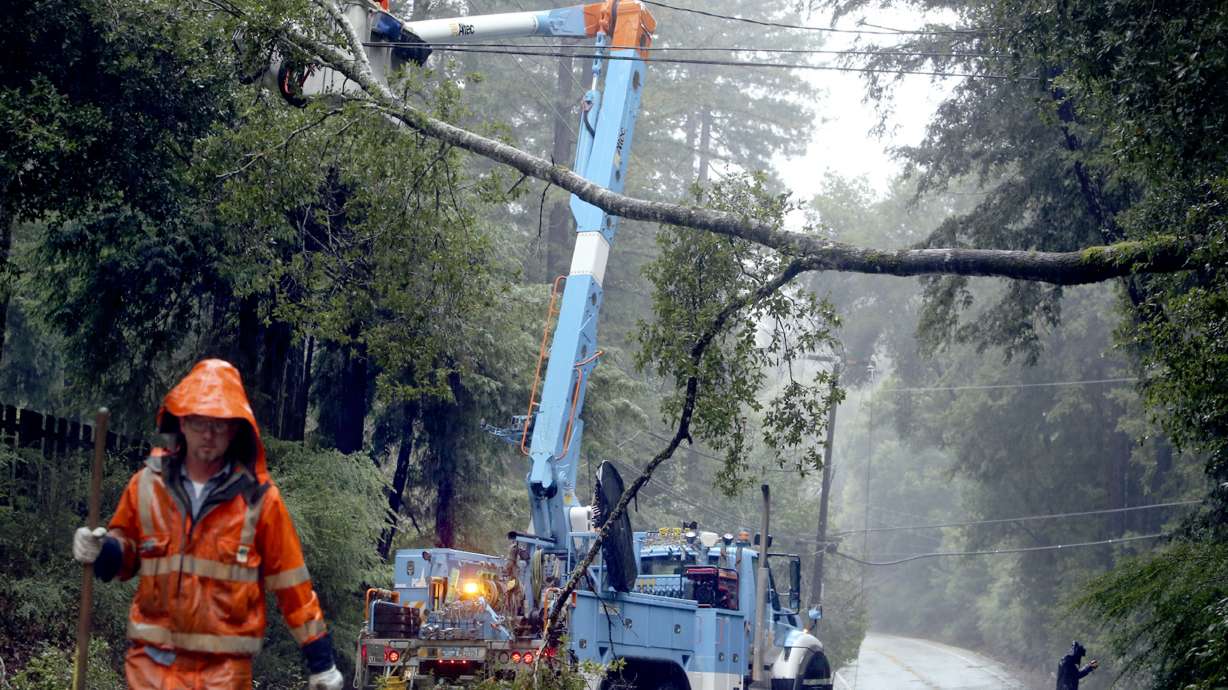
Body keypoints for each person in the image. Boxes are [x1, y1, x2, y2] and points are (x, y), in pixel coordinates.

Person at [72, 359, 344, 690]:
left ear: (235, 430)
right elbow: (127, 555)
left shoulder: (259, 501)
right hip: (151, 670)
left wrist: (321, 663)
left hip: (223, 675)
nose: (209, 435)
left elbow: (293, 587)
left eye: (220, 424)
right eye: (200, 422)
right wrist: (102, 551)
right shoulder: (146, 486)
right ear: (182, 422)